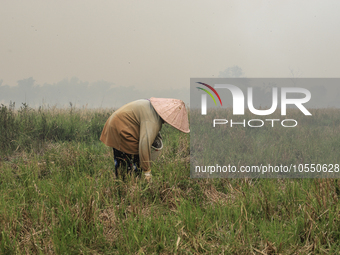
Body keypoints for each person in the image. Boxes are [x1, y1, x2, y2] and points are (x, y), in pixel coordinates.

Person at [100, 97, 190, 181]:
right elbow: (144, 144)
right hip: (122, 129)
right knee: (134, 164)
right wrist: (147, 171)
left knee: (122, 164)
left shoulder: (150, 107)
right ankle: (130, 185)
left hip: (114, 124)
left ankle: (120, 185)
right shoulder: (153, 120)